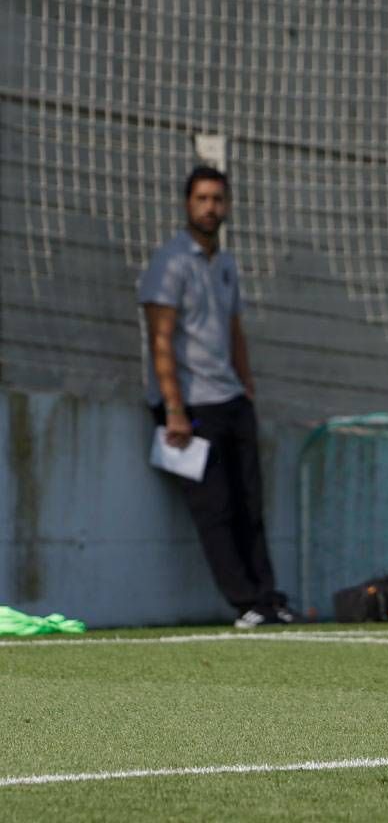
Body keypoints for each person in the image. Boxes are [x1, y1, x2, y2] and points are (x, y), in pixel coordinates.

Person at [139, 165, 293, 629]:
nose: (210, 207)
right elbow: (160, 340)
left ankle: (268, 598)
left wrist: (246, 386)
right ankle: (244, 603)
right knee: (216, 509)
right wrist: (174, 410)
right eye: (202, 199)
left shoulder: (225, 264)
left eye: (217, 199)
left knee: (250, 505)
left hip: (231, 399)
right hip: (190, 406)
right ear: (187, 204)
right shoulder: (170, 263)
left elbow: (234, 330)